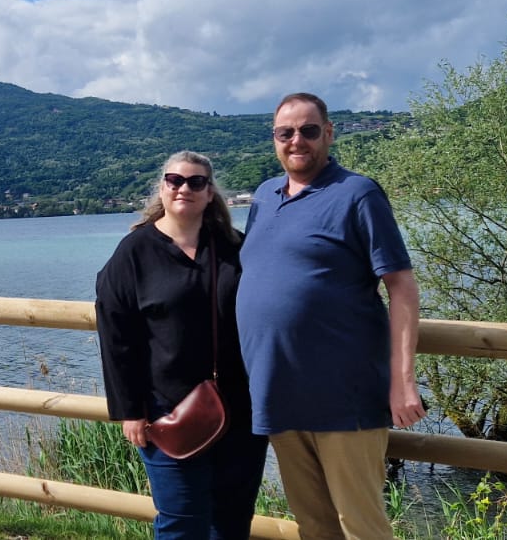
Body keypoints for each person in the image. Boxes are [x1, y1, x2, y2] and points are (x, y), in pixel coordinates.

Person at [236, 93, 426, 540]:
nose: (297, 140)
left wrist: (403, 381)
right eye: (286, 132)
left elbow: (402, 287)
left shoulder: (357, 193)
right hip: (279, 394)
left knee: (361, 527)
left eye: (308, 130)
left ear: (329, 133)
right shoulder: (264, 196)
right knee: (314, 526)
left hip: (344, 396)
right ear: (274, 139)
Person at [95, 151, 269, 539]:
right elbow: (115, 335)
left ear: (210, 193)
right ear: (162, 188)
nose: (184, 188)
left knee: (233, 519)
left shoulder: (234, 248)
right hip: (167, 410)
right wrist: (129, 411)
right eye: (175, 180)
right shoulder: (134, 253)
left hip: (241, 411)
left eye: (196, 182)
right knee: (182, 521)